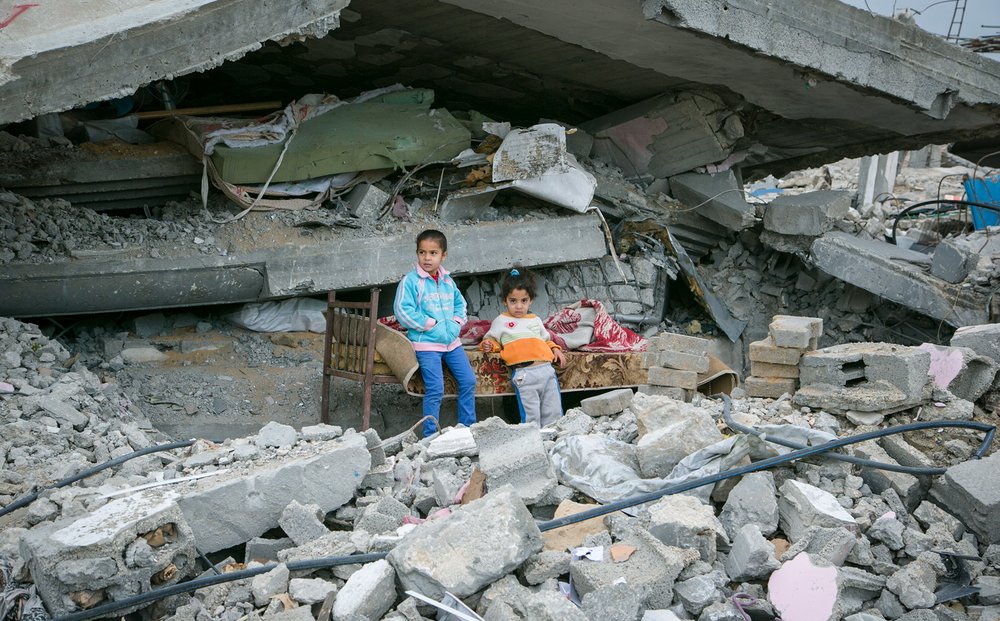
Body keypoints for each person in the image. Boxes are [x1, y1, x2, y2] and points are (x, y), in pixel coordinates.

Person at [394, 229, 477, 437]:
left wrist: (457, 322)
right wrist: (430, 324)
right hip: (427, 345)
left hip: (452, 343)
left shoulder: (448, 281)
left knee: (468, 381)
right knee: (436, 389)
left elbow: (460, 303)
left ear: (443, 255)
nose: (427, 258)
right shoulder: (411, 281)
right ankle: (430, 434)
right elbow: (403, 311)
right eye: (422, 253)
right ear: (417, 254)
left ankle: (467, 428)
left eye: (433, 253)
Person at [480, 266, 566, 426]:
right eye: (513, 301)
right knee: (531, 417)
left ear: (531, 300)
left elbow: (546, 339)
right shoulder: (501, 321)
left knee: (554, 414)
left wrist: (555, 349)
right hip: (524, 374)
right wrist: (488, 345)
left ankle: (554, 444)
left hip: (547, 371)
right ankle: (534, 445)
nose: (518, 306)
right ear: (505, 301)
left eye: (524, 301)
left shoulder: (535, 319)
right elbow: (491, 339)